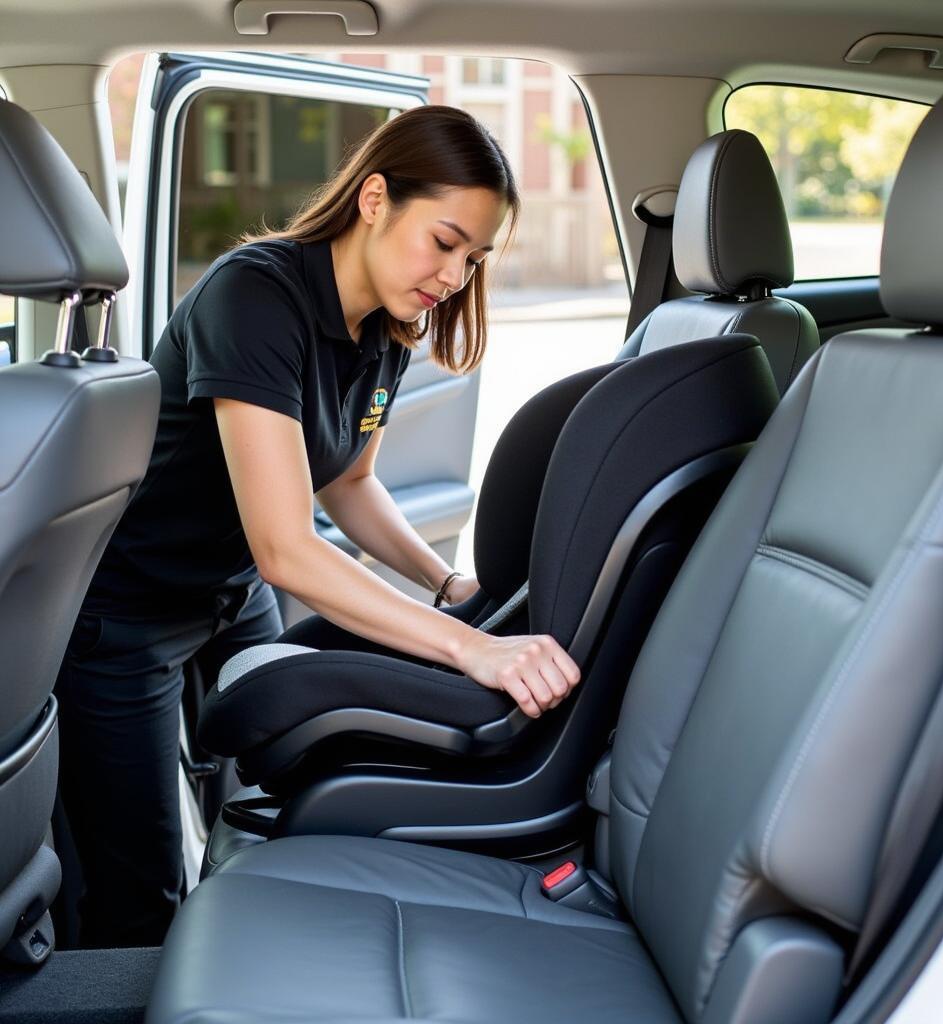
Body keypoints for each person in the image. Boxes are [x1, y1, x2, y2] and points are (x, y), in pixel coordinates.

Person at [55, 105, 580, 948]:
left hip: (234, 594)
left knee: (259, 823)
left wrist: (447, 585)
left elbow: (352, 482)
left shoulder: (387, 331)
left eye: (474, 257)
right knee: (140, 888)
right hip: (128, 612)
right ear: (375, 197)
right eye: (444, 242)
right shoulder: (255, 295)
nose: (454, 274)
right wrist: (472, 648)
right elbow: (286, 545)